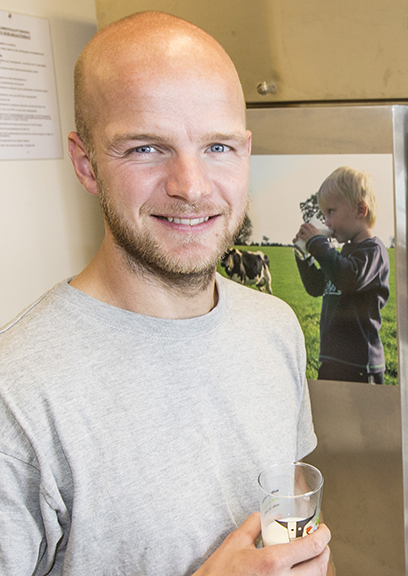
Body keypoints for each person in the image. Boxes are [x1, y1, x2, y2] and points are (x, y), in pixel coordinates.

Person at [0, 12, 332, 575]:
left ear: (247, 150)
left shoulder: (274, 326)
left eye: (218, 147)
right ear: (86, 164)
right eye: (146, 148)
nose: (192, 186)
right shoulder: (20, 397)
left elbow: (289, 488)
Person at [294, 166, 390, 383]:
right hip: (332, 359)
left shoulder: (373, 251)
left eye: (331, 212)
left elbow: (348, 278)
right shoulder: (342, 255)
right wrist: (304, 257)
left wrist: (318, 243)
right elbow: (316, 287)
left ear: (360, 210)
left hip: (360, 366)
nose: (326, 221)